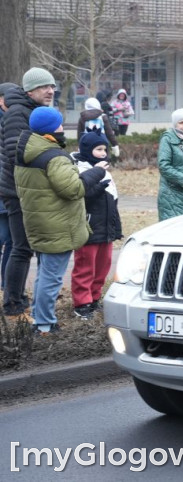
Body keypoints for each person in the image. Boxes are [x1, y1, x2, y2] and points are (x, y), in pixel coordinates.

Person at [14, 107, 107, 334]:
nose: (62, 127)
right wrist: (96, 172)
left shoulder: (28, 151)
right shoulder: (54, 157)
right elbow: (73, 189)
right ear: (50, 129)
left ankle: (40, 318)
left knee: (44, 273)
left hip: (40, 221)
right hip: (58, 225)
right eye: (59, 124)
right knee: (52, 277)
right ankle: (45, 325)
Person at [2, 67, 58, 322]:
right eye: (45, 87)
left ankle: (21, 296)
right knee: (21, 247)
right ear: (30, 90)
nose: (50, 91)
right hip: (17, 191)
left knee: (24, 246)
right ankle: (13, 302)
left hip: (29, 189)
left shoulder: (32, 111)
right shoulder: (18, 113)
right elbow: (17, 151)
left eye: (52, 86)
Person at [71, 131, 122, 320]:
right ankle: (81, 303)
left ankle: (94, 298)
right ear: (87, 150)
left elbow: (113, 200)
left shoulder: (104, 169)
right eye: (98, 149)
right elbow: (81, 193)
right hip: (89, 227)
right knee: (85, 266)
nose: (103, 153)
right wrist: (97, 185)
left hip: (105, 227)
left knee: (103, 265)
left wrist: (115, 226)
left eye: (104, 149)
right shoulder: (80, 169)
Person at [0, 83, 16, 288]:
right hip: (4, 191)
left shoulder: (14, 121)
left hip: (11, 192)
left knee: (13, 240)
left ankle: (6, 283)